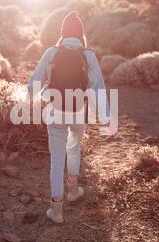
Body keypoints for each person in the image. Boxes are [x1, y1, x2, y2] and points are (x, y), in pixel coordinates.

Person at [28, 11, 112, 224]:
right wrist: (105, 117)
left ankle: (56, 211)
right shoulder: (89, 55)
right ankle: (73, 191)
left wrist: (31, 101)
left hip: (56, 112)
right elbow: (98, 88)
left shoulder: (51, 53)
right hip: (78, 112)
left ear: (63, 33)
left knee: (56, 160)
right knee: (73, 148)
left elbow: (35, 82)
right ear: (81, 34)